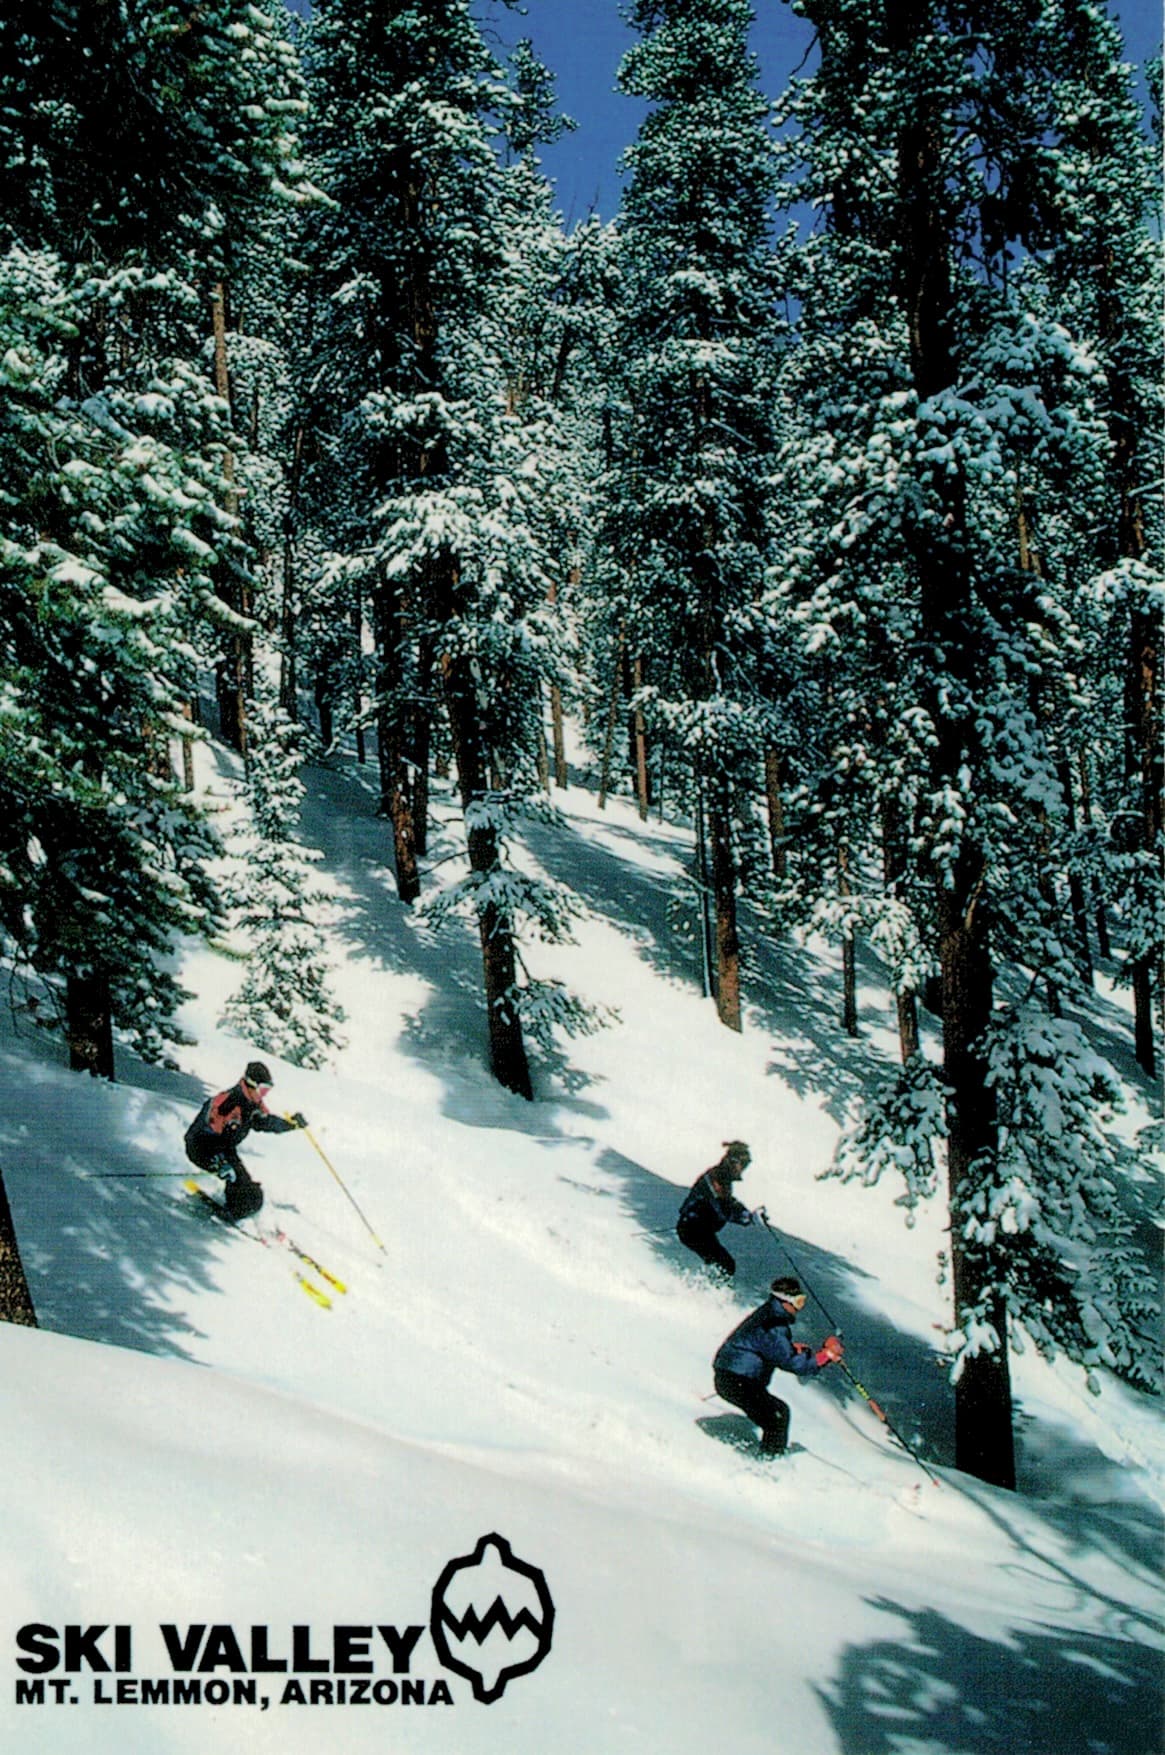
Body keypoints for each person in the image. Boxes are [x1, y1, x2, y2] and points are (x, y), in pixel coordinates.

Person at [712, 1275, 844, 1456]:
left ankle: (768, 1459)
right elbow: (794, 1364)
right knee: (777, 1416)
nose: (799, 1308)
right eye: (798, 1302)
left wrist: (793, 1349)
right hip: (737, 1380)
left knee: (775, 1414)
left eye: (802, 1301)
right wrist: (827, 1355)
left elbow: (770, 1348)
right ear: (784, 1300)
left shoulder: (768, 1314)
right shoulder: (773, 1325)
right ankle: (768, 1465)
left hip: (733, 1377)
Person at [184, 1060, 307, 1219]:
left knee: (251, 1192)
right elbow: (205, 1133)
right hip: (202, 1148)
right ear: (251, 1084)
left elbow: (264, 1122)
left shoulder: (252, 1103)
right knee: (236, 1179)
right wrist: (219, 1162)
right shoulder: (227, 1103)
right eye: (263, 1090)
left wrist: (290, 1124)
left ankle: (240, 1210)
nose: (264, 1095)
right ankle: (232, 1212)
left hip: (225, 1149)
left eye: (267, 1090)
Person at [676, 1140, 762, 1277]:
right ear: (732, 1162)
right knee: (725, 1265)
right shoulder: (715, 1178)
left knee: (724, 1265)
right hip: (692, 1229)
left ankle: (709, 1287)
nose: (743, 1169)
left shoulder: (723, 1178)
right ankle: (707, 1291)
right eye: (743, 1164)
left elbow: (730, 1203)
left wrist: (747, 1214)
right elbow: (723, 1208)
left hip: (699, 1229)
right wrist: (747, 1218)